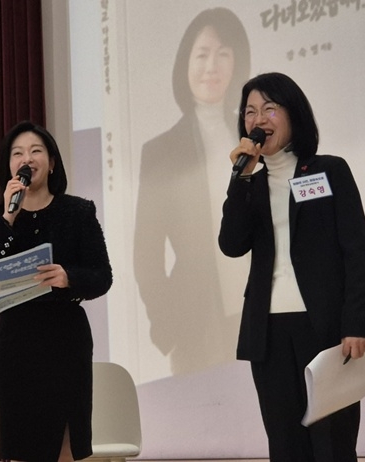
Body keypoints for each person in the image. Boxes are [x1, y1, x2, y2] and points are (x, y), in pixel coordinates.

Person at [218, 72, 365, 462]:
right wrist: (240, 179)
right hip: (268, 330)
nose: (259, 120)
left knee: (333, 444)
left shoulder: (329, 170)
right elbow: (231, 244)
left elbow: (356, 251)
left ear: (293, 114)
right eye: (250, 112)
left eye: (270, 109)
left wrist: (356, 320)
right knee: (285, 444)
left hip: (325, 328)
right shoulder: (252, 184)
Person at [0, 121, 112, 462]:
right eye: (17, 153)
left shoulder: (78, 212)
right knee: (21, 445)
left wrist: (68, 277)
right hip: (17, 343)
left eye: (36, 151)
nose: (27, 158)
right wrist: (8, 218)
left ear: (51, 163)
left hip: (65, 340)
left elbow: (102, 276)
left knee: (65, 443)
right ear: (9, 166)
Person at [133, 7, 250, 375]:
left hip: (263, 312)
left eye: (223, 54)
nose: (211, 66)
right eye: (202, 54)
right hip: (197, 328)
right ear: (185, 65)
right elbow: (146, 254)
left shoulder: (257, 138)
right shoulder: (161, 152)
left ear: (237, 63)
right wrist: (168, 326)